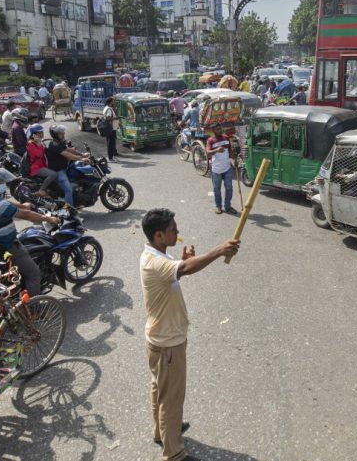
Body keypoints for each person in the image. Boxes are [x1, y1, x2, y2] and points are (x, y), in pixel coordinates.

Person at [139, 208, 240, 461]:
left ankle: (161, 433)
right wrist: (218, 250)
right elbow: (183, 268)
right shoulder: (155, 262)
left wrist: (181, 264)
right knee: (171, 401)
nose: (178, 232)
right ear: (159, 235)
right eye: (173, 229)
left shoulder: (156, 254)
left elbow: (179, 270)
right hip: (167, 343)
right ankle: (174, 453)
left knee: (160, 390)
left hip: (159, 339)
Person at [0, 165, 57, 296]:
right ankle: (35, 309)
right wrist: (48, 218)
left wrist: (22, 205)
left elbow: (6, 204)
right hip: (6, 246)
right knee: (34, 273)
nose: (3, 185)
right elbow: (26, 215)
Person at [45, 124, 91, 206]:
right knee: (68, 190)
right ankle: (68, 211)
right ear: (55, 134)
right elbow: (67, 154)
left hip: (64, 168)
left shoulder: (58, 142)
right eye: (60, 133)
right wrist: (81, 159)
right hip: (58, 171)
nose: (63, 134)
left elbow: (69, 150)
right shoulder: (54, 144)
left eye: (62, 132)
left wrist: (82, 154)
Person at [205, 130, 236, 214]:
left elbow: (230, 150)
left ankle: (228, 206)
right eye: (216, 128)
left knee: (229, 188)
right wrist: (216, 150)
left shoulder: (226, 138)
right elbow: (207, 154)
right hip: (216, 170)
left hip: (227, 168)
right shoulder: (210, 140)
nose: (219, 130)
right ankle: (218, 206)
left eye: (219, 128)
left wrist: (234, 159)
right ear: (213, 131)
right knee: (216, 189)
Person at [25, 124, 58, 196]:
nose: (41, 134)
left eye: (41, 132)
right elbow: (39, 154)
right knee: (53, 174)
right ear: (33, 134)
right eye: (39, 133)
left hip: (42, 164)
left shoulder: (39, 141)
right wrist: (39, 143)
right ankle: (42, 189)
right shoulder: (31, 144)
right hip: (36, 167)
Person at [102, 96, 119, 161]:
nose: (114, 102)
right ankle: (110, 158)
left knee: (110, 143)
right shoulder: (109, 109)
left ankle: (111, 156)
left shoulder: (106, 108)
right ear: (111, 102)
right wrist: (116, 118)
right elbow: (108, 118)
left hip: (109, 128)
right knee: (110, 143)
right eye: (113, 101)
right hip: (111, 128)